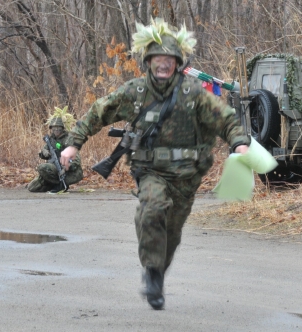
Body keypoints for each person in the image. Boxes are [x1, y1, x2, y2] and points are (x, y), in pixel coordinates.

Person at [60, 18, 250, 310]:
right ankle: (151, 271)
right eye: (157, 59)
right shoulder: (134, 93)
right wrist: (73, 143)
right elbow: (98, 112)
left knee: (171, 233)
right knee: (152, 208)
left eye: (169, 60)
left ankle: (158, 272)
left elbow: (223, 117)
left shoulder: (193, 94)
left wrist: (239, 142)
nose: (163, 65)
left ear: (177, 63)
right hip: (150, 171)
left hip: (187, 176)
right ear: (148, 62)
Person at [27, 109, 83, 193]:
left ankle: (60, 185)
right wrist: (44, 152)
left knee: (42, 167)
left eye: (58, 129)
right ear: (51, 129)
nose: (56, 131)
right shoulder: (51, 139)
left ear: (63, 129)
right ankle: (54, 184)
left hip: (70, 172)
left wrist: (66, 167)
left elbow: (76, 159)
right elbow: (44, 150)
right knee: (32, 187)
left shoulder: (68, 139)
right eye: (54, 129)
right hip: (54, 170)